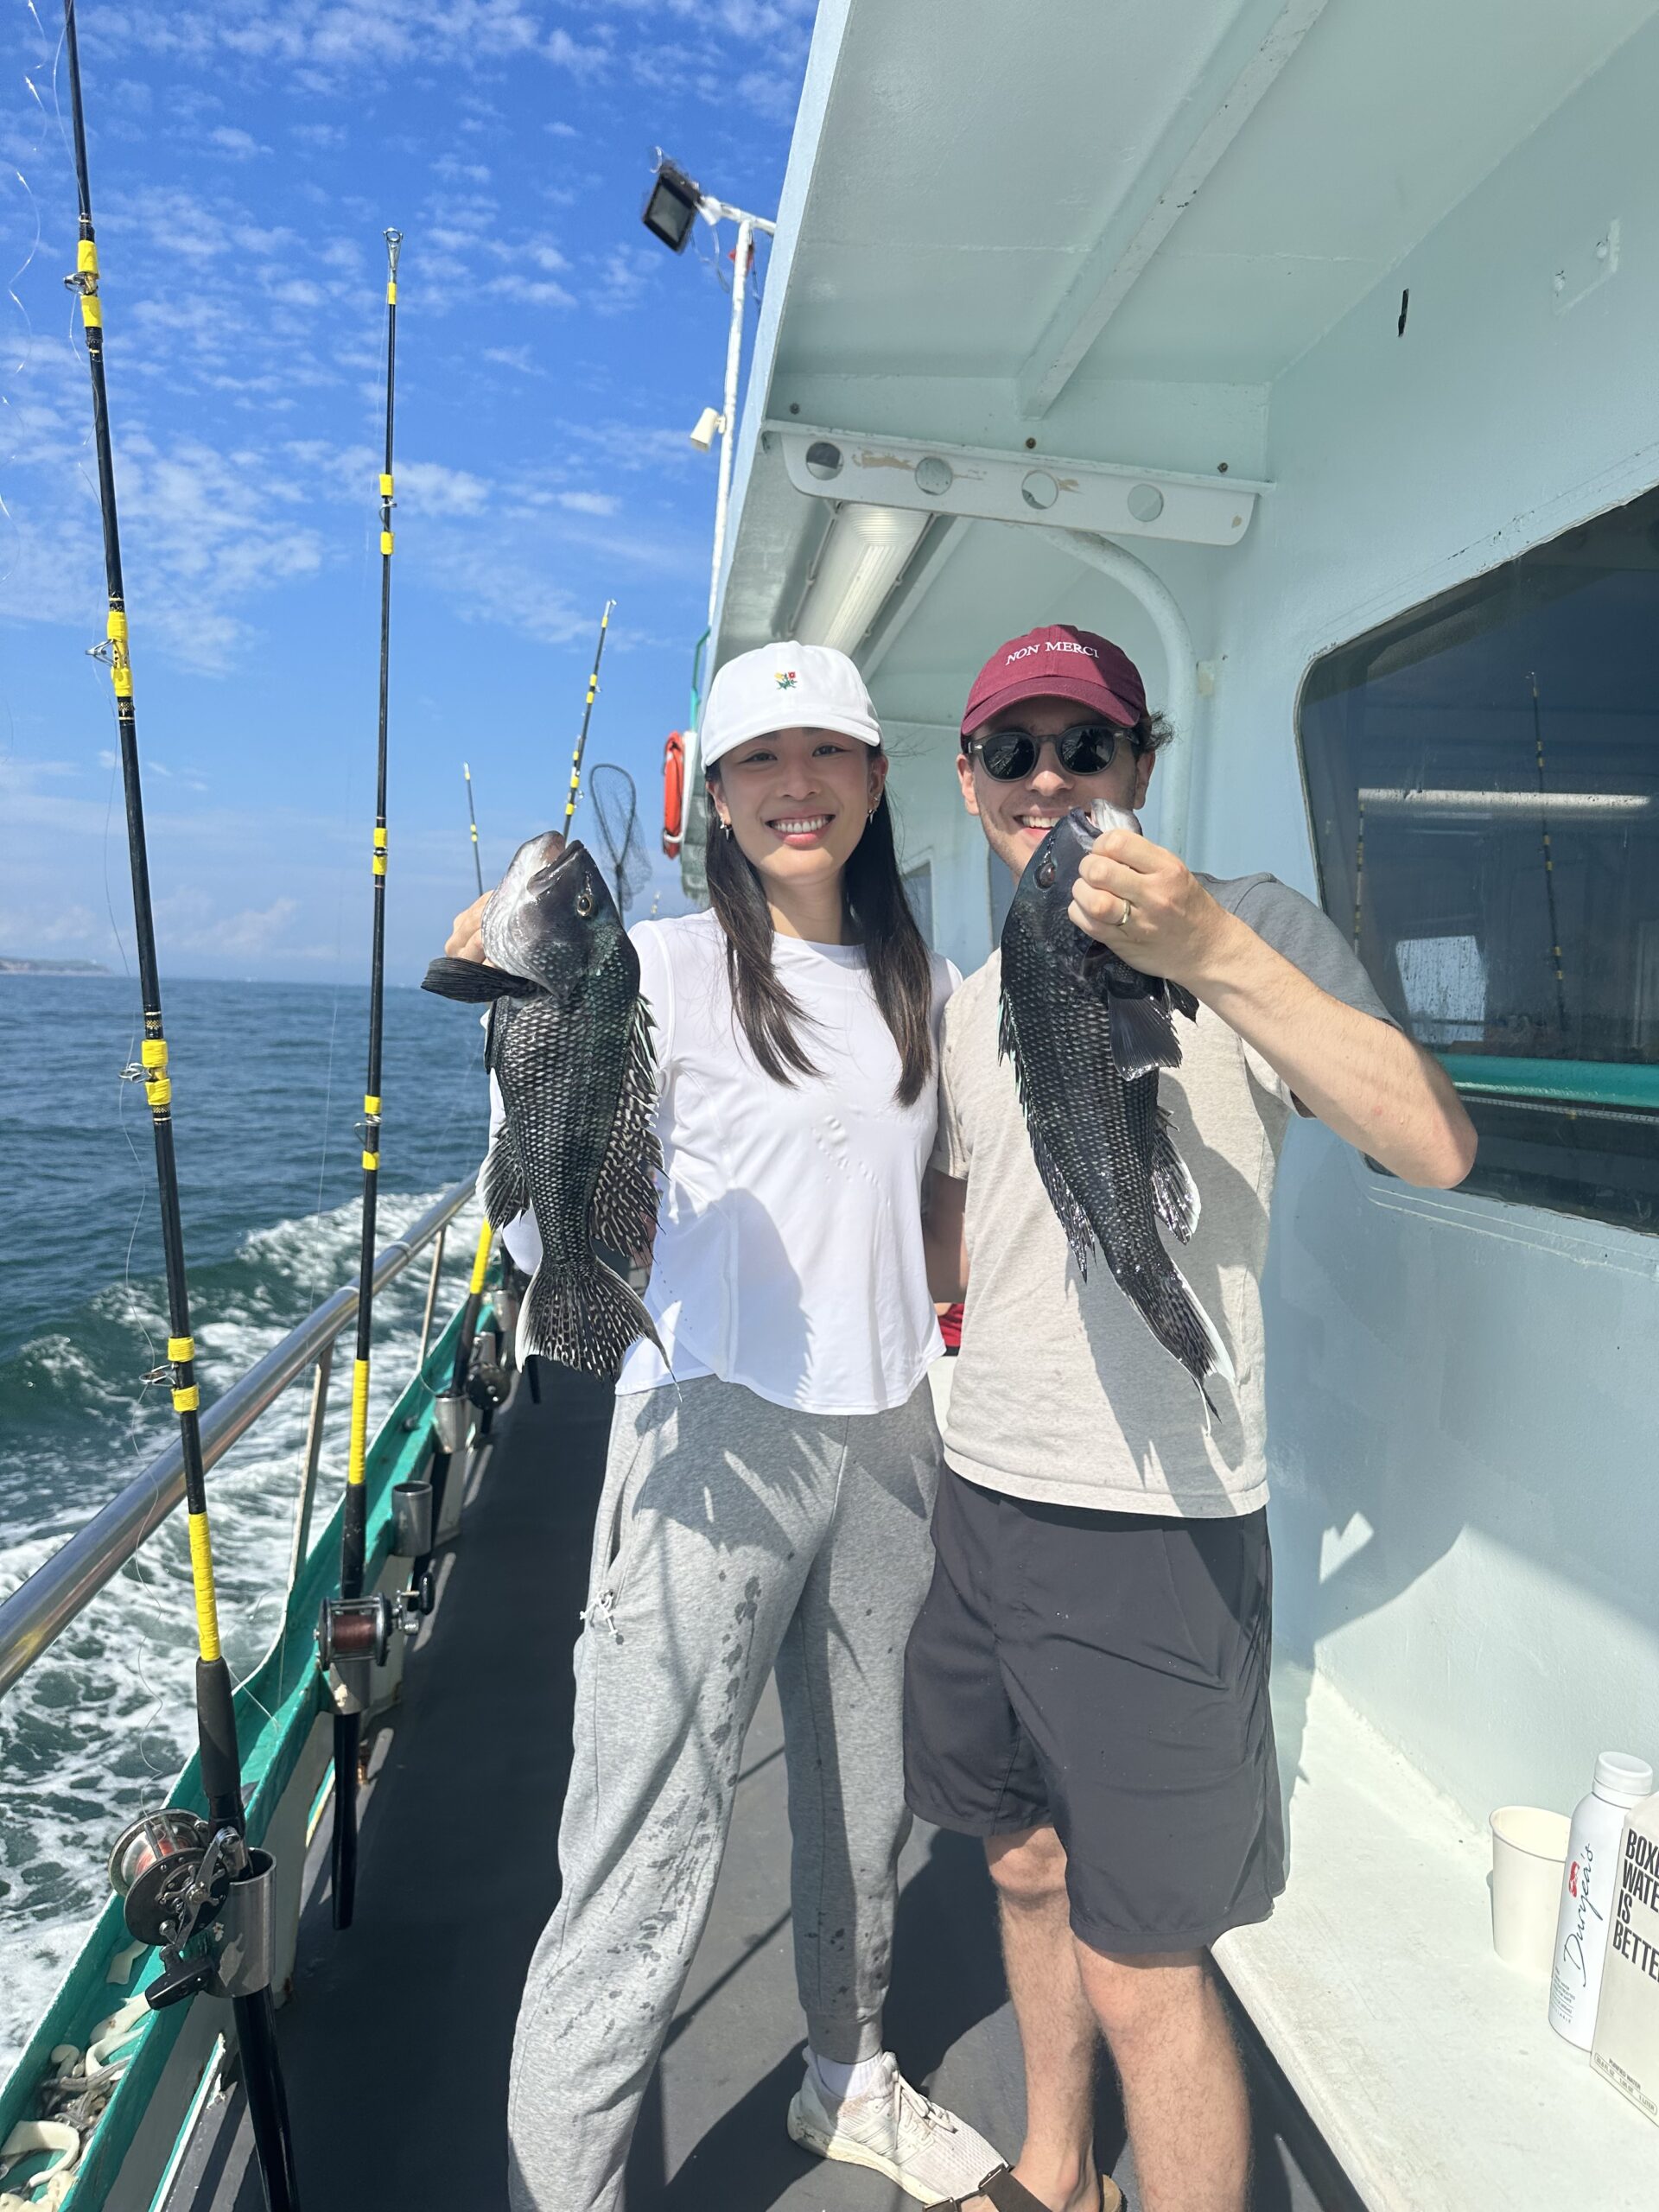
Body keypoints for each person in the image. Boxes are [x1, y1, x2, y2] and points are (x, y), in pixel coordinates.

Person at [906, 625, 1476, 2212]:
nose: (1046, 779)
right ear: (968, 784)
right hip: (984, 1496)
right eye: (1010, 752)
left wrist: (1210, 947)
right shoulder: (969, 1002)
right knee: (1020, 1867)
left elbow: (1431, 1141)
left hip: (1154, 1527)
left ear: (1139, 767)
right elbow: (963, 1231)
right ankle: (1053, 2167)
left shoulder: (1256, 927)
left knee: (1147, 1960)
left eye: (1081, 747)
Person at [447, 641, 1014, 2212]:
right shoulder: (655, 962)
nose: (796, 787)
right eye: (763, 762)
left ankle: (849, 2077)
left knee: (869, 1798)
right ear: (720, 798)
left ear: (878, 779)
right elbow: (547, 1207)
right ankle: (559, 2188)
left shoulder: (928, 983)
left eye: (827, 753)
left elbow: (935, 1214)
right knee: (641, 1840)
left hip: (894, 1434)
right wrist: (503, 1000)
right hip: (709, 1434)